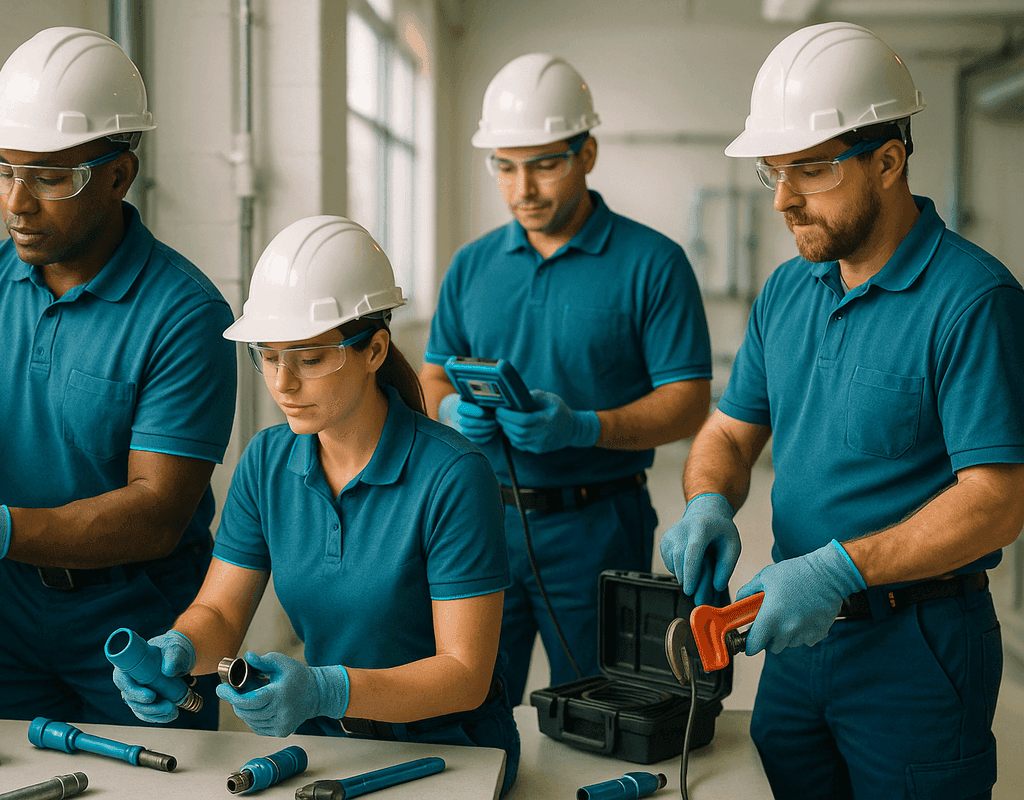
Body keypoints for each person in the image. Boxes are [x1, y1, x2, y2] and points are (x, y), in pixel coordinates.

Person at [659, 22, 1024, 800]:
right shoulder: (789, 290)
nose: (785, 199)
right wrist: (707, 499)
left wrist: (840, 569)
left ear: (889, 160)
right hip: (791, 640)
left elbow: (996, 503)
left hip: (916, 646)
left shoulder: (973, 301)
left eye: (812, 171)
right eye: (773, 173)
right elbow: (728, 429)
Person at [0, 28, 236, 728]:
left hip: (144, 625)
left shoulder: (184, 313)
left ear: (119, 175)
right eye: (5, 169)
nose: (17, 203)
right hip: (17, 615)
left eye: (51, 177)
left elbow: (156, 515)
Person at [112, 216, 521, 793]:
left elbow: (464, 675)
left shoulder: (453, 475)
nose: (283, 383)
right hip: (331, 750)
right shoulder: (266, 461)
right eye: (269, 356)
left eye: (309, 358)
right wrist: (176, 651)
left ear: (375, 349)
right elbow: (221, 616)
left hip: (450, 753)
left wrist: (327, 689)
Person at [419, 53, 712, 705]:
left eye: (545, 164)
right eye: (505, 166)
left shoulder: (653, 264)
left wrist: (585, 426)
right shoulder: (472, 266)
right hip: (479, 519)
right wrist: (445, 413)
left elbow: (689, 404)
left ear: (588, 154)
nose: (523, 188)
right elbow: (433, 374)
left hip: (598, 523)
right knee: (466, 701)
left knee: (598, 705)